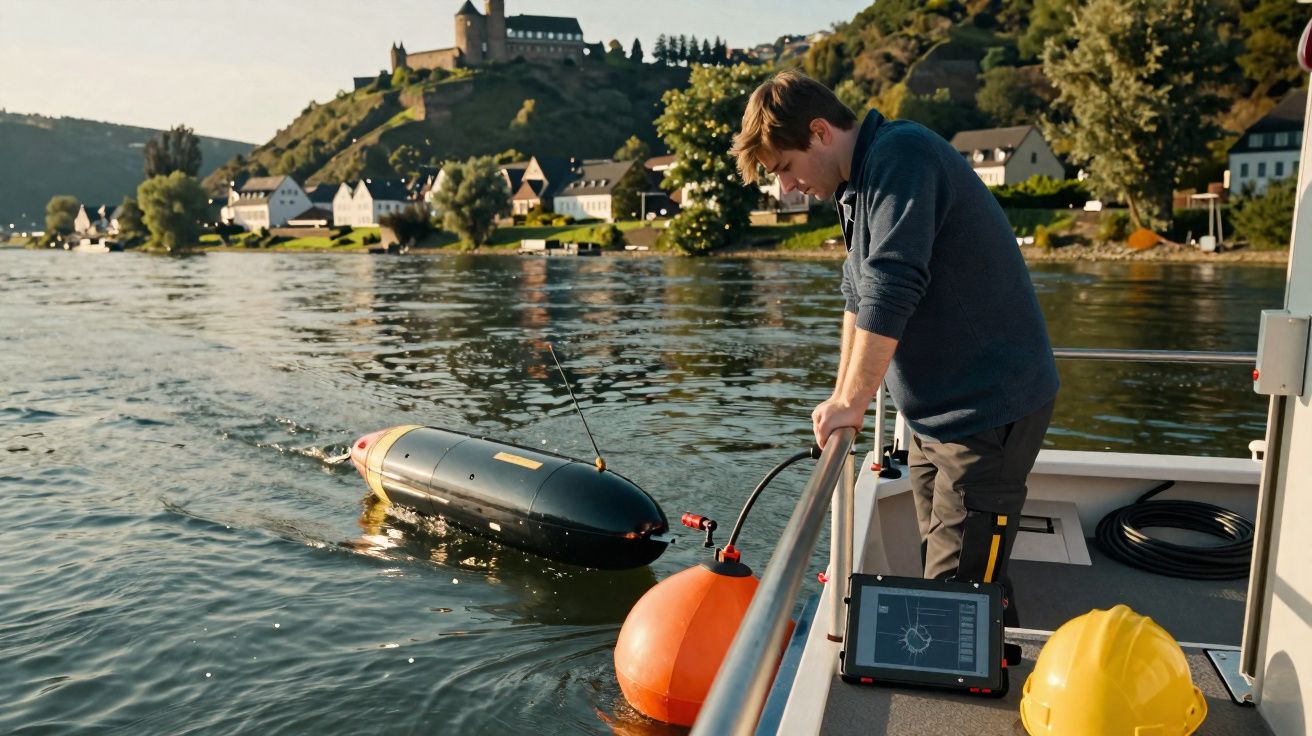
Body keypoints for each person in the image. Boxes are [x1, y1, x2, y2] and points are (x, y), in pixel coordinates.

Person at [731, 69, 1058, 627]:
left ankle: (972, 697)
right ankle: (993, 664)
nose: (785, 187)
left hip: (985, 410)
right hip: (937, 415)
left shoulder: (901, 156)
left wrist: (856, 403)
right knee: (954, 567)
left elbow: (892, 284)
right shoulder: (856, 184)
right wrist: (842, 400)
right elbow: (857, 294)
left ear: (818, 132)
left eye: (784, 167)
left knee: (957, 593)